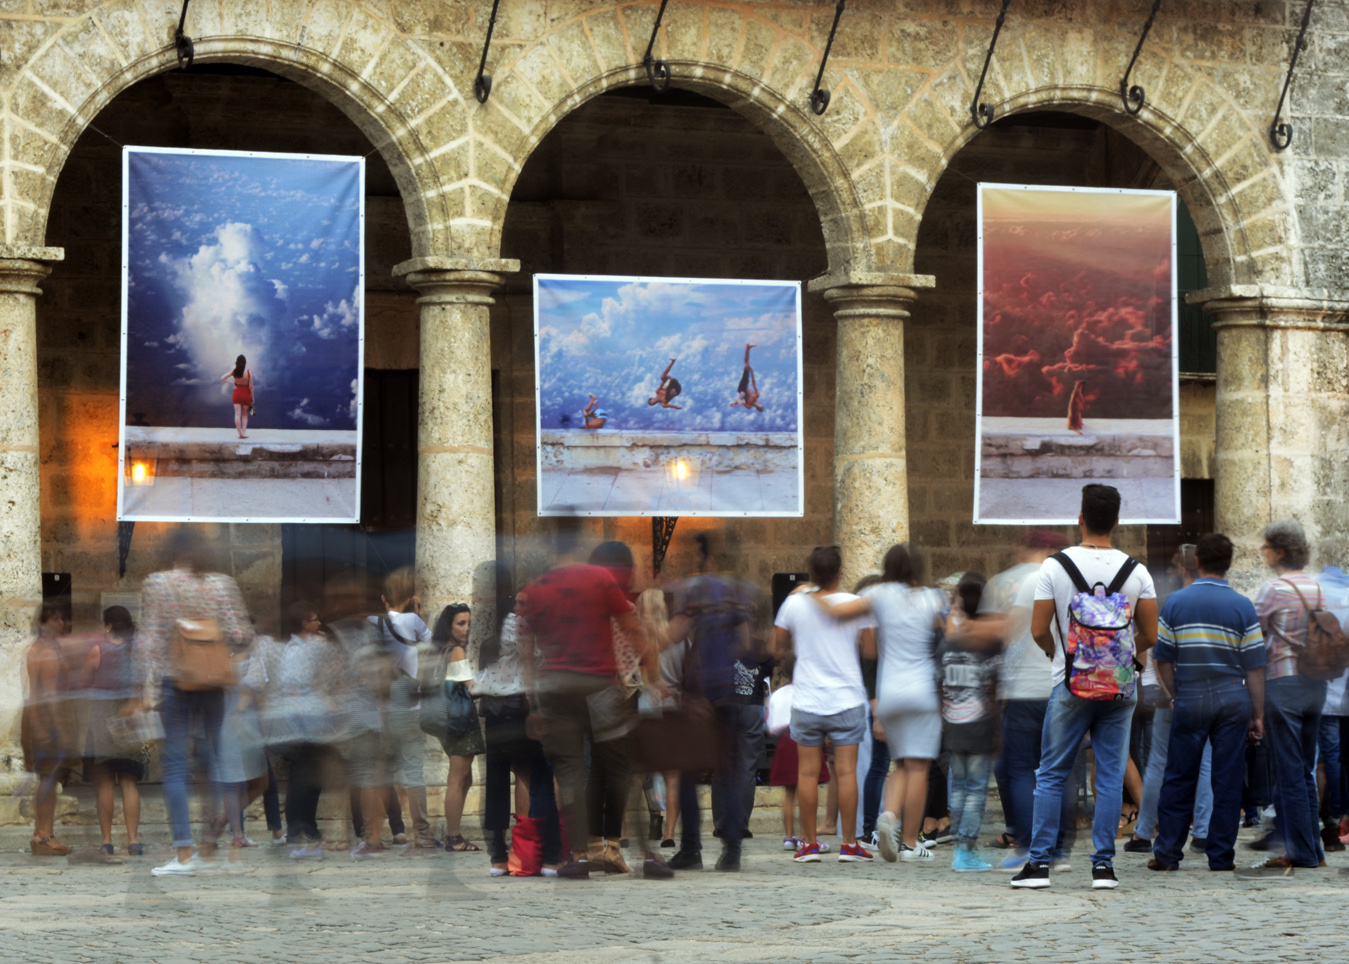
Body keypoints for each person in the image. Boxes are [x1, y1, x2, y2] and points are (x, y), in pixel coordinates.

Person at [1010, 484, 1157, 891]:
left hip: (1070, 683)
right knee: (1110, 777)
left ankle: (1038, 864)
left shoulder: (1055, 568)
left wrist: (1059, 655)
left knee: (1052, 774)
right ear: (1117, 521)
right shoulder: (1137, 571)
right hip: (1120, 689)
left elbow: (1039, 629)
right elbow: (1150, 633)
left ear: (1080, 518)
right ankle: (1103, 867)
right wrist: (1124, 659)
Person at [516, 523, 668, 880]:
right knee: (618, 769)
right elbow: (633, 632)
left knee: (571, 773)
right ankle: (634, 850)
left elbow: (526, 651)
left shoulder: (534, 589)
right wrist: (655, 678)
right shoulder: (599, 582)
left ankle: (580, 854)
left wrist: (532, 701)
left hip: (556, 689)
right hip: (605, 686)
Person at [813, 544, 946, 863]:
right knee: (919, 767)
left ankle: (888, 814)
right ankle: (911, 843)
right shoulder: (933, 598)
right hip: (923, 691)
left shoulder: (878, 595)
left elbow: (840, 617)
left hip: (889, 692)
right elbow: (951, 635)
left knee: (900, 764)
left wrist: (811, 590)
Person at [136, 528, 254, 876]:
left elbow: (150, 642)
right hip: (214, 684)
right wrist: (223, 653)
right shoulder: (222, 583)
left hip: (176, 681)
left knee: (174, 767)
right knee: (214, 763)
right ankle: (210, 846)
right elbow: (242, 634)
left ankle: (184, 853)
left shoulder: (157, 583)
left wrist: (142, 690)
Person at [1148, 533, 1264, 874]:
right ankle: (1221, 856)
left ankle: (1167, 853)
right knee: (1226, 780)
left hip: (1191, 695)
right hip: (1233, 696)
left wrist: (1174, 694)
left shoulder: (1176, 603)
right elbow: (1255, 666)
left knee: (1179, 776)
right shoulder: (1243, 605)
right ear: (1229, 565)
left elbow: (1163, 658)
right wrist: (1258, 714)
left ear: (1196, 563)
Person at [665, 528, 765, 872]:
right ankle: (732, 851)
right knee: (730, 770)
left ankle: (691, 849)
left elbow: (675, 634)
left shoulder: (695, 589)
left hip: (702, 692)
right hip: (732, 693)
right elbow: (745, 643)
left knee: (690, 773)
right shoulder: (739, 590)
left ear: (708, 557)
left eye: (696, 555)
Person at [773, 545, 877, 864]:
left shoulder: (794, 602)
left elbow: (775, 646)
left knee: (806, 774)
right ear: (840, 572)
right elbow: (871, 650)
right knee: (846, 773)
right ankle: (848, 845)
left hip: (807, 698)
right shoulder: (855, 603)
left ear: (811, 572)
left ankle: (809, 845)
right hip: (846, 697)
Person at [1239, 520, 1327, 878]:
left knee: (1288, 771)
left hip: (1284, 681)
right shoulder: (1315, 587)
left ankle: (1299, 851)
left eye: (1266, 547)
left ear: (1279, 550)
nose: (1263, 553)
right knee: (1303, 770)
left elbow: (1252, 633)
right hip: (1315, 684)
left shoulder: (1274, 589)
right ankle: (1312, 848)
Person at [986, 530, 1077, 872]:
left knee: (1020, 768)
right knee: (1059, 769)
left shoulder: (1032, 581)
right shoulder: (1071, 581)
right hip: (1062, 687)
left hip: (1027, 688)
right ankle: (1059, 851)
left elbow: (1015, 632)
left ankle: (1028, 843)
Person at [1125, 544, 1215, 857]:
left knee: (1157, 764)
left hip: (1172, 693)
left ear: (1185, 568)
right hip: (1206, 691)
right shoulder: (1215, 602)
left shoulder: (1171, 603)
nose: (1173, 572)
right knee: (1205, 761)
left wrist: (1167, 692)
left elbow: (1161, 654)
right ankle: (1202, 832)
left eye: (1176, 566)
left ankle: (1144, 830)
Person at [475, 592, 563, 876]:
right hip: (520, 709)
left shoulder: (490, 641)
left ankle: (499, 858)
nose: (518, 608)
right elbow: (529, 663)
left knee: (497, 786)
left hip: (495, 714)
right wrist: (533, 703)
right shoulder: (526, 626)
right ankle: (549, 857)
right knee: (542, 781)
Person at [263, 601, 346, 857]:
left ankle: (309, 826)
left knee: (312, 776)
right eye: (313, 619)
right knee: (300, 778)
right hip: (303, 720)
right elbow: (292, 688)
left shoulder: (310, 648)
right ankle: (297, 828)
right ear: (303, 624)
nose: (318, 623)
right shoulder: (296, 651)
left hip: (316, 719)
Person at [937, 573, 1003, 872]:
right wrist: (997, 729)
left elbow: (939, 684)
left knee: (960, 790)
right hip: (979, 727)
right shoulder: (989, 642)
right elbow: (994, 689)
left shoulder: (947, 643)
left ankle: (959, 851)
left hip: (953, 724)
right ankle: (966, 850)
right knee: (975, 791)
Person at [82, 606, 145, 857]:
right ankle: (132, 840)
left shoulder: (98, 651)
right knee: (129, 783)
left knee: (105, 784)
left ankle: (107, 841)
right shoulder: (136, 653)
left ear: (108, 625)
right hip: (129, 722)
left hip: (101, 722)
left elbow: (84, 682)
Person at [21, 604, 77, 856]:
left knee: (48, 778)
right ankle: (43, 834)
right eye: (55, 619)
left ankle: (42, 832)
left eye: (62, 618)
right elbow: (49, 694)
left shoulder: (43, 648)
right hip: (46, 717)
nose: (60, 623)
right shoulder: (44, 651)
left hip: (39, 716)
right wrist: (57, 728)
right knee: (48, 778)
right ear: (43, 622)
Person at [430, 602, 484, 852]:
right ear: (449, 625)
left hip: (447, 722)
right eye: (461, 623)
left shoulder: (440, 650)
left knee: (465, 778)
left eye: (469, 623)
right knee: (457, 778)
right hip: (460, 722)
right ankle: (454, 837)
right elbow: (471, 687)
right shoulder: (456, 652)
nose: (467, 628)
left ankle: (455, 835)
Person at [767, 655, 830, 850]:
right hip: (806, 741)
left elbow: (771, 725)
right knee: (807, 788)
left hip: (785, 741)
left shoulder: (778, 694)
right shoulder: (809, 692)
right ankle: (805, 835)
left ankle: (788, 836)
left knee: (788, 794)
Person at [220, 354, 255, 439]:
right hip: (246, 394)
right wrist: (252, 398)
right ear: (245, 363)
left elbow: (222, 378)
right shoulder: (249, 373)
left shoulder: (234, 371)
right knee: (245, 415)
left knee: (237, 414)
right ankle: (243, 432)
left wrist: (232, 383)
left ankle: (239, 433)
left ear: (237, 362)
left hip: (237, 393)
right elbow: (251, 387)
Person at [729, 344, 763, 412]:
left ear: (757, 408)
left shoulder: (749, 405)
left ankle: (748, 348)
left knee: (743, 394)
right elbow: (754, 384)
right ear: (760, 404)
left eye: (758, 407)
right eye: (760, 406)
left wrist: (735, 403)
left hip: (741, 389)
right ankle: (748, 348)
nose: (758, 405)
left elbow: (741, 403)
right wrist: (752, 372)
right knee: (747, 366)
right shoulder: (757, 395)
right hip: (745, 385)